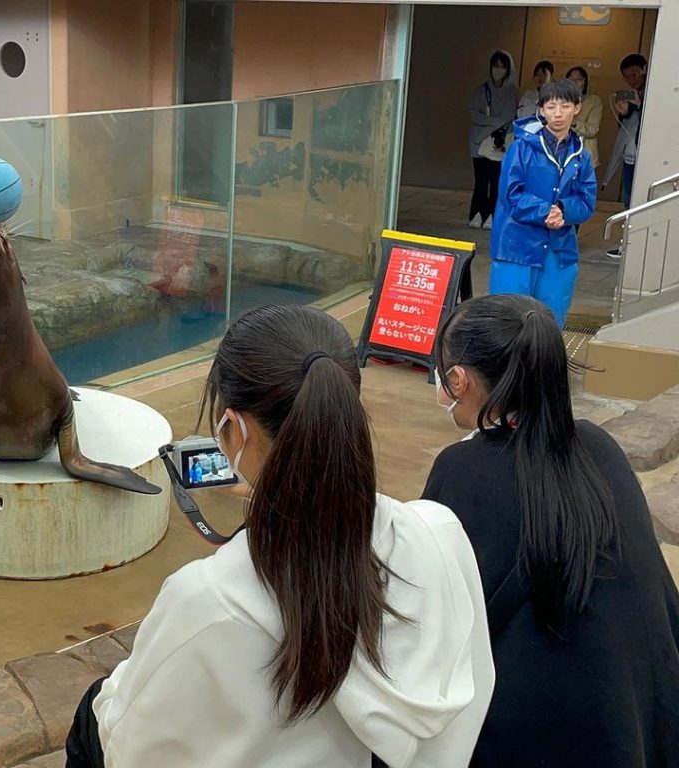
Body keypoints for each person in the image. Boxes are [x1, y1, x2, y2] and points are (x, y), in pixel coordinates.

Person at [65, 304, 495, 768]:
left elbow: (133, 752)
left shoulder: (208, 600)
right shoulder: (440, 533)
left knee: (95, 713)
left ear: (233, 430)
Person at [424, 294, 679, 767]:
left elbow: (434, 622)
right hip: (642, 719)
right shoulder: (600, 447)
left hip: (534, 737)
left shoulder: (464, 470)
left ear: (458, 380)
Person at [488, 79, 596, 328]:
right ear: (541, 110)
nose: (557, 114)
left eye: (565, 106)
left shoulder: (582, 155)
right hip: (516, 246)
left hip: (559, 250)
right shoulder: (520, 148)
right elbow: (510, 194)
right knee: (508, 322)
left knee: (549, 323)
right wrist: (546, 211)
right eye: (551, 106)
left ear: (577, 108)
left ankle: (541, 368)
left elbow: (586, 200)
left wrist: (564, 211)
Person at [603, 53, 648, 257]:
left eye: (635, 74)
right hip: (630, 157)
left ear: (644, 70)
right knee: (629, 200)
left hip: (647, 157)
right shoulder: (631, 95)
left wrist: (641, 104)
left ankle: (640, 244)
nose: (632, 79)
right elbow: (626, 127)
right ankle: (628, 244)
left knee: (643, 201)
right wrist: (623, 110)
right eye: (627, 76)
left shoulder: (654, 91)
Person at [468, 50, 518, 230]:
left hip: (501, 144)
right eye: (495, 66)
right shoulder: (481, 89)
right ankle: (476, 214)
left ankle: (492, 215)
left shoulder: (511, 91)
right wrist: (496, 123)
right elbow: (474, 113)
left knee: (497, 181)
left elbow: (509, 116)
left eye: (502, 67)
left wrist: (488, 124)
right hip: (479, 144)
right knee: (480, 181)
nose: (498, 70)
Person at [566, 66, 603, 171]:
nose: (575, 83)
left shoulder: (594, 101)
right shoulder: (560, 100)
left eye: (579, 79)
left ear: (585, 81)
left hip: (585, 156)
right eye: (571, 79)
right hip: (563, 154)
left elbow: (593, 130)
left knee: (583, 187)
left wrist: (573, 122)